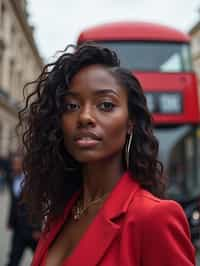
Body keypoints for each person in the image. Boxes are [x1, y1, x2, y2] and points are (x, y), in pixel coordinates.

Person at [18, 43, 195, 266]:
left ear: (130, 123)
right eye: (71, 106)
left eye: (106, 105)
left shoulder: (154, 217)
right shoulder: (61, 211)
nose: (84, 117)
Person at [5, 153, 41, 266]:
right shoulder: (11, 178)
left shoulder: (32, 182)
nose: (15, 167)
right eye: (13, 164)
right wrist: (10, 221)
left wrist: (37, 228)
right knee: (13, 259)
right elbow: (13, 203)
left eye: (17, 164)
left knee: (41, 259)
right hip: (18, 228)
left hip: (32, 230)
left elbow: (38, 205)